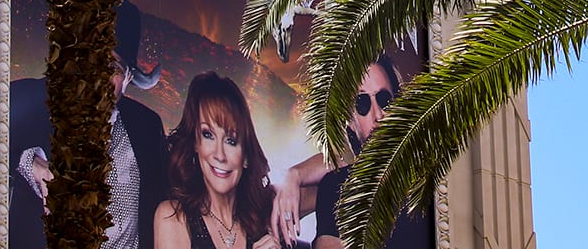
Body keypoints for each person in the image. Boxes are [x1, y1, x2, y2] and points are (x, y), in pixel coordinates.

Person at [10, 0, 170, 249]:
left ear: (128, 77)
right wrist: (31, 163)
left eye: (113, 66)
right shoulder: (27, 99)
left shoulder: (147, 127)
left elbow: (168, 201)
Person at [271, 54, 430, 249]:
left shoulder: (430, 177)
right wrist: (293, 175)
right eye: (362, 103)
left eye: (384, 100)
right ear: (351, 121)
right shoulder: (336, 187)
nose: (378, 114)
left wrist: (295, 174)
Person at [154, 72, 281, 249]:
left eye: (231, 141)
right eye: (208, 135)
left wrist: (294, 176)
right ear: (196, 144)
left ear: (245, 156)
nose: (219, 155)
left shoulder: (265, 213)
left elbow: (323, 185)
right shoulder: (173, 216)